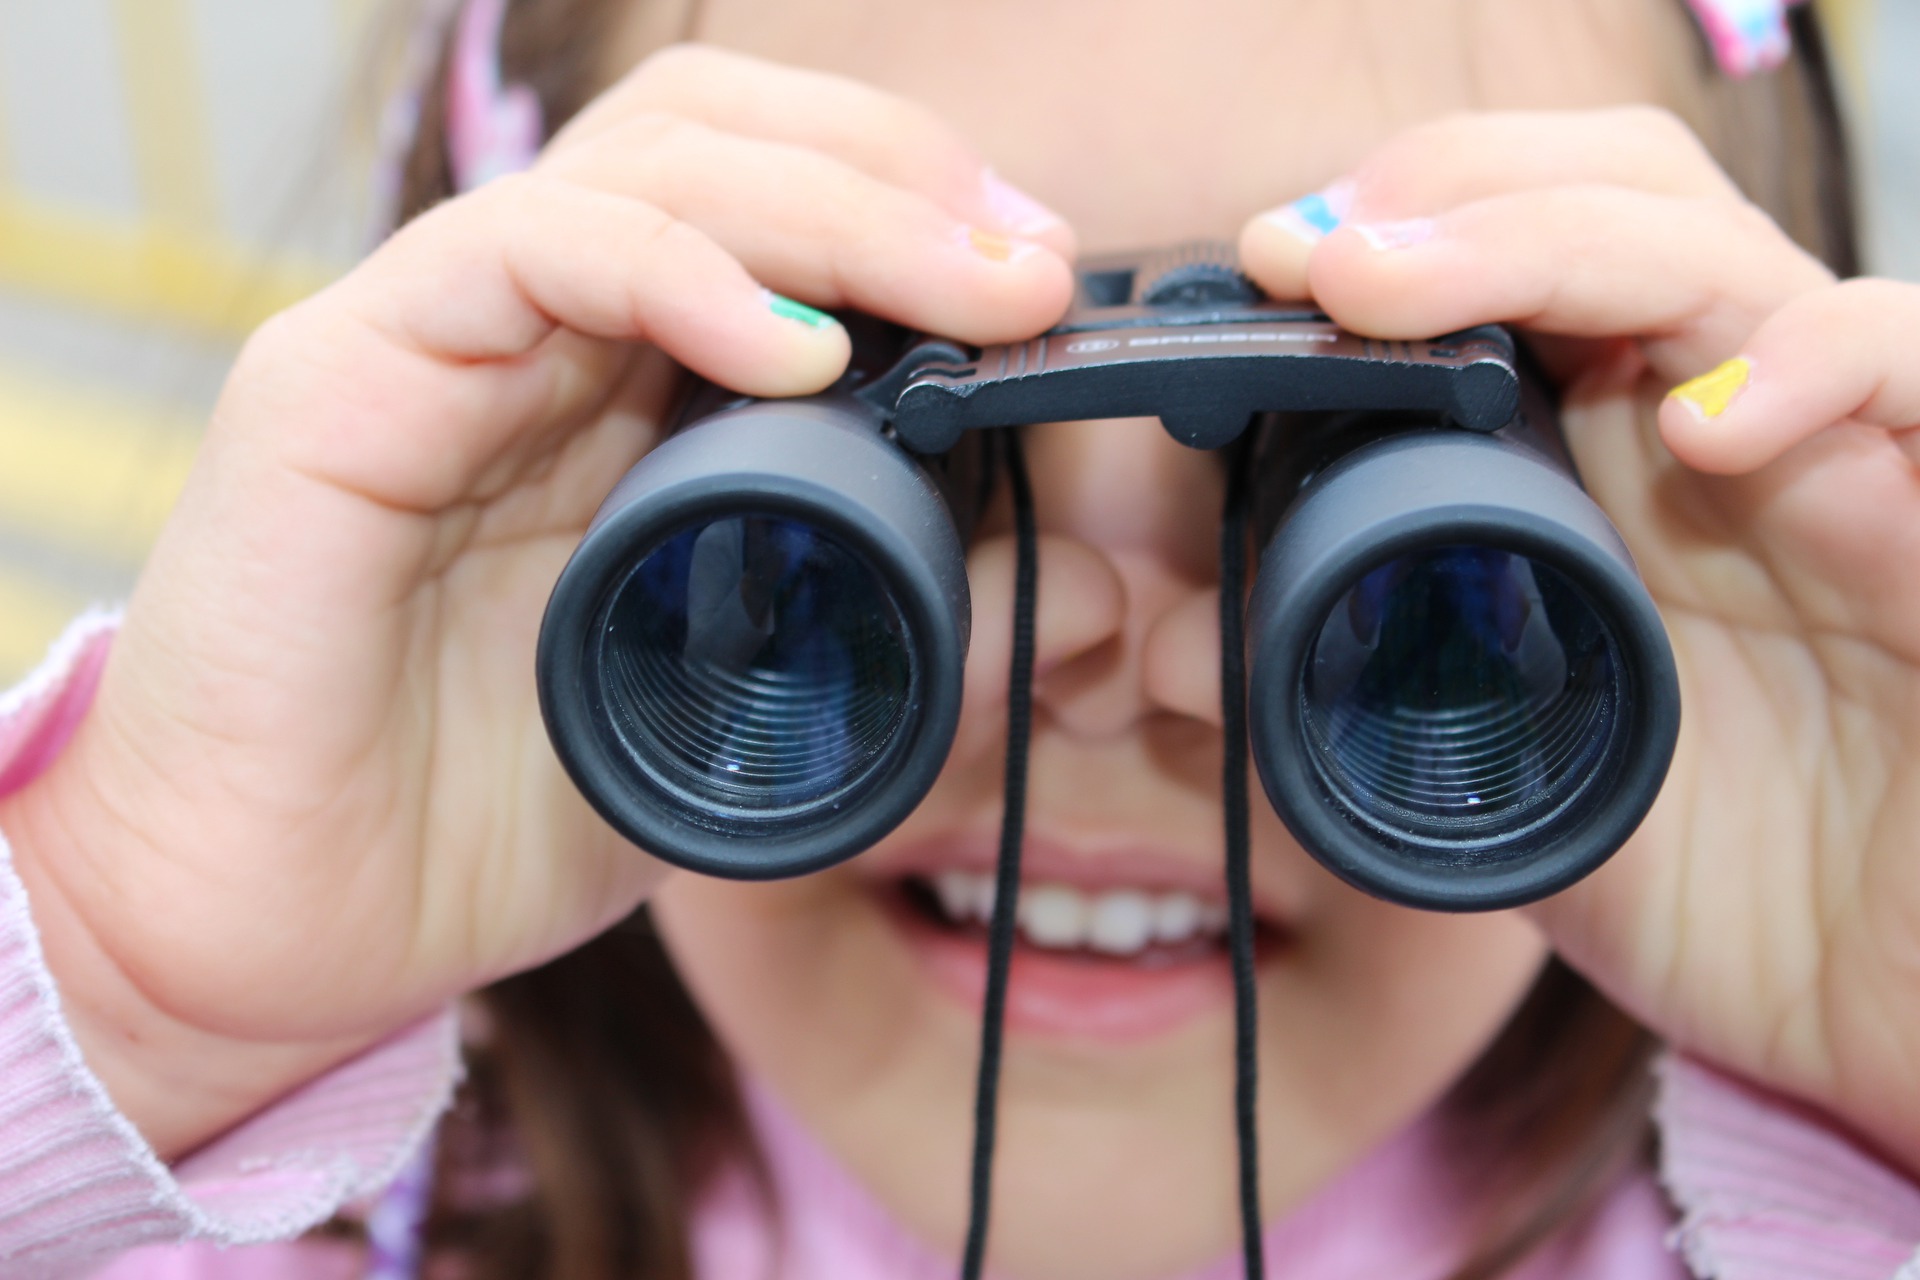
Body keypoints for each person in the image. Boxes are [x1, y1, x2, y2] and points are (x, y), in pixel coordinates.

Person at [2, 0, 1919, 1276]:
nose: (1097, 677)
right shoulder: (246, 1200)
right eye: (809, 398)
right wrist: (131, 982)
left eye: (1398, 473)